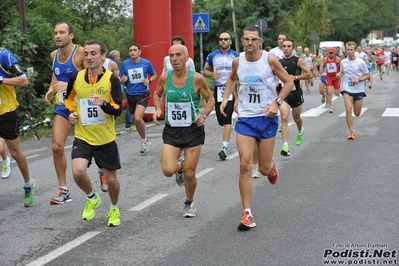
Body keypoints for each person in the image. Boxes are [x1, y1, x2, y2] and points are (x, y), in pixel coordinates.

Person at [220, 25, 293, 230]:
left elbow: (288, 83)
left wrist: (276, 103)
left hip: (267, 118)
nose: (250, 43)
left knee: (263, 169)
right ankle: (247, 213)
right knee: (244, 164)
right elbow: (232, 78)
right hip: (246, 119)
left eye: (254, 39)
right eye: (246, 39)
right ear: (242, 41)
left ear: (260, 42)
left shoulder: (269, 60)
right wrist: (226, 98)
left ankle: (270, 166)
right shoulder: (237, 61)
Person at [65, 39, 123, 227]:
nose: (89, 57)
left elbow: (118, 109)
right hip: (83, 136)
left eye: (93, 54)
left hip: (106, 138)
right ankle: (92, 197)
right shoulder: (76, 78)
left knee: (111, 180)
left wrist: (104, 105)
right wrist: (71, 113)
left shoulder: (111, 80)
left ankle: (114, 208)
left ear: (102, 56)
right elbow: (69, 99)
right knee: (78, 172)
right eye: (86, 54)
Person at [153, 44, 214, 217]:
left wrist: (203, 114)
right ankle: (179, 167)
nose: (174, 59)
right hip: (172, 130)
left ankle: (189, 202)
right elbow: (157, 94)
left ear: (186, 58)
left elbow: (210, 100)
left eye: (178, 55)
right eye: (171, 56)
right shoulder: (165, 78)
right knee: (167, 170)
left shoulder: (197, 79)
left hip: (193, 130)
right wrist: (158, 109)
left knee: (190, 171)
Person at [45, 22, 86, 205]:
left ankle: (103, 170)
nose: (57, 36)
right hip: (62, 106)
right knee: (56, 147)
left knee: (96, 144)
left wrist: (70, 85)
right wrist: (51, 89)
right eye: (55, 33)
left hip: (82, 106)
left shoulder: (81, 53)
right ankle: (64, 190)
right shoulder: (54, 55)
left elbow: (91, 79)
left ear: (71, 35)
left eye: (62, 32)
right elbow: (56, 74)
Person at [0, 47, 35, 206]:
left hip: (6, 112)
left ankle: (28, 184)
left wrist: (1, 80)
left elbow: (24, 80)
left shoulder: (4, 56)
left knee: (15, 152)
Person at [203, 32, 239, 160]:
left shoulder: (236, 56)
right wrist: (212, 74)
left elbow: (243, 72)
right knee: (221, 120)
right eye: (221, 39)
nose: (223, 41)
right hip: (219, 90)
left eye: (226, 39)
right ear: (219, 42)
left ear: (230, 41)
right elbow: (205, 70)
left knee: (227, 117)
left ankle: (224, 147)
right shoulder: (213, 55)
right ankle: (228, 128)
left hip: (231, 90)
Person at [119, 43, 157, 153]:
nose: (132, 52)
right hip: (130, 95)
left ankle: (144, 141)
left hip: (143, 93)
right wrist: (122, 81)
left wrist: (149, 81)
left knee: (137, 117)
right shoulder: (125, 64)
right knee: (137, 121)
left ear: (139, 52)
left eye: (135, 50)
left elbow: (154, 74)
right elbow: (120, 78)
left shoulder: (146, 63)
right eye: (130, 50)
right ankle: (144, 139)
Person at [278, 39, 312, 156]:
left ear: (292, 48)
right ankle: (285, 145)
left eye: (289, 46)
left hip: (296, 94)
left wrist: (296, 77)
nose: (286, 48)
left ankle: (300, 130)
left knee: (297, 118)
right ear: (282, 48)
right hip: (284, 95)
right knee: (284, 117)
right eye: (284, 46)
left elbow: (309, 74)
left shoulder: (298, 61)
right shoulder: (279, 62)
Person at [336, 41, 370, 140]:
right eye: (348, 50)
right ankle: (351, 131)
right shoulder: (343, 62)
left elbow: (367, 75)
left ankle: (356, 106)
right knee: (348, 109)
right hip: (347, 88)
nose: (349, 51)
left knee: (357, 113)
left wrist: (359, 80)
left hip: (359, 89)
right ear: (345, 51)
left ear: (355, 51)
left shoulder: (360, 62)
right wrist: (339, 75)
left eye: (351, 50)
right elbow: (342, 71)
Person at [109, 50, 135, 130]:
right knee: (116, 107)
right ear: (116, 57)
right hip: (114, 89)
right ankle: (128, 124)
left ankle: (112, 127)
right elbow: (118, 78)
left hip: (114, 88)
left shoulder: (108, 63)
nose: (119, 57)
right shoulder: (112, 64)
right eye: (119, 56)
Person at [320, 47, 342, 113]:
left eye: (332, 53)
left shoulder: (338, 59)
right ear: (328, 53)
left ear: (334, 53)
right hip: (329, 77)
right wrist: (321, 70)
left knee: (337, 94)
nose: (331, 55)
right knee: (329, 91)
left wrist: (340, 73)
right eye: (329, 53)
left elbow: (342, 67)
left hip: (336, 77)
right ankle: (330, 106)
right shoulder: (325, 59)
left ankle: (337, 92)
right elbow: (323, 66)